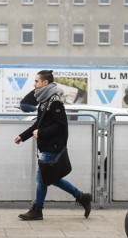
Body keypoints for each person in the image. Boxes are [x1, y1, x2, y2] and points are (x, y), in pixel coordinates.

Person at [13, 70, 92, 220]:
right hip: (49, 145)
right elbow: (38, 123)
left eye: (36, 81)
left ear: (45, 83)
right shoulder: (45, 100)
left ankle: (37, 209)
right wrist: (22, 137)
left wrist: (41, 133)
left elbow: (61, 125)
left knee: (42, 179)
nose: (34, 84)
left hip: (53, 146)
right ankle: (82, 197)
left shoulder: (54, 101)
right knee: (51, 178)